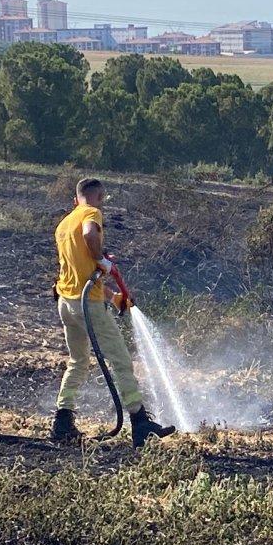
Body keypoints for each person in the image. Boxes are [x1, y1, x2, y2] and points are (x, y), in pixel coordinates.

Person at [52, 177, 175, 446]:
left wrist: (112, 295)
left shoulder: (63, 224)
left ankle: (62, 421)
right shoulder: (90, 214)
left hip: (67, 303)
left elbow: (79, 274)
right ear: (98, 197)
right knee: (120, 359)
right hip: (88, 307)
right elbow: (89, 234)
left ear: (75, 198)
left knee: (77, 362)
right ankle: (140, 422)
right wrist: (101, 260)